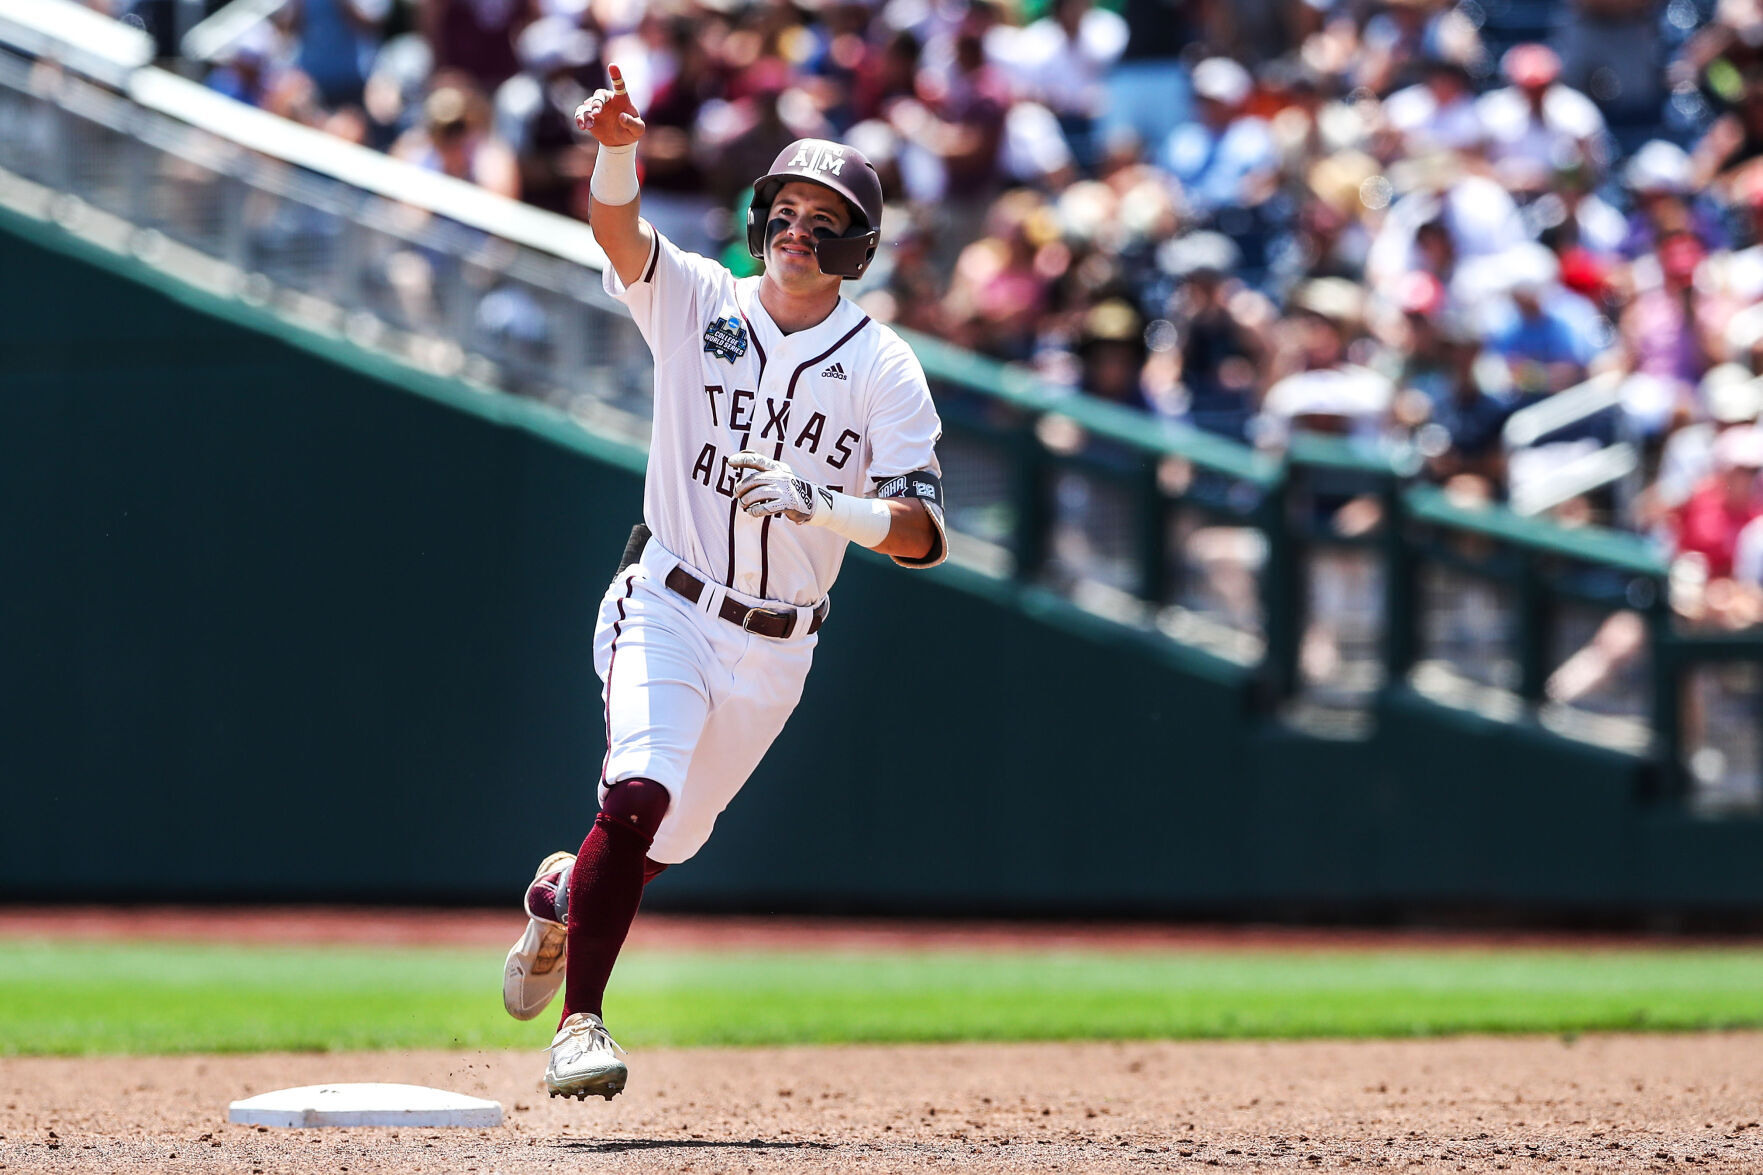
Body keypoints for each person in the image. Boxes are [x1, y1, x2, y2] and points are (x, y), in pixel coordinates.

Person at [500, 64, 948, 1102]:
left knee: (667, 839)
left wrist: (821, 503)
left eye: (820, 219)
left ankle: (565, 893)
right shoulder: (699, 294)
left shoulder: (883, 367)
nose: (796, 230)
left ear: (857, 247)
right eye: (782, 211)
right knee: (639, 790)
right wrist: (618, 148)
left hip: (779, 640)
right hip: (666, 594)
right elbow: (618, 233)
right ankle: (580, 1025)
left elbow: (924, 534)